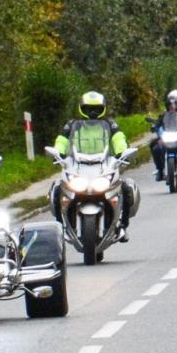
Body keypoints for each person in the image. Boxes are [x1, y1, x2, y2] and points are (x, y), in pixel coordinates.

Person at [52, 90, 137, 241]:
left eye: (96, 109)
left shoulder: (109, 124)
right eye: (88, 109)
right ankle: (60, 228)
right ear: (81, 108)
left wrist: (122, 152)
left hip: (103, 165)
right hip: (78, 164)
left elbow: (118, 138)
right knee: (57, 189)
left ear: (102, 108)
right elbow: (62, 140)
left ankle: (122, 227)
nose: (92, 112)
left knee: (125, 188)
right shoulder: (73, 125)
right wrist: (58, 152)